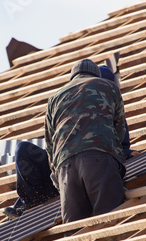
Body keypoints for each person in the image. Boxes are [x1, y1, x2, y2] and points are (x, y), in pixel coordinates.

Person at [44, 58, 127, 224]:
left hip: (65, 167)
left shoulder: (54, 98)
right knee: (111, 223)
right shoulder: (108, 87)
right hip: (99, 157)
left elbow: (50, 144)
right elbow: (120, 131)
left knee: (74, 233)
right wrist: (119, 161)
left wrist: (58, 178)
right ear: (96, 74)